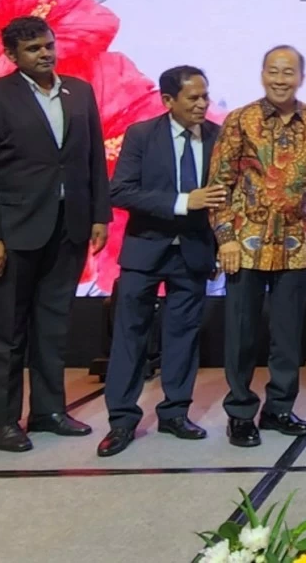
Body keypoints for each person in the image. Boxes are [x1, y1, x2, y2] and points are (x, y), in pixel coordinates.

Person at [0, 16, 110, 452]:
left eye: (48, 45)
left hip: (69, 227)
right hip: (12, 233)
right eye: (33, 49)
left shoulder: (79, 92)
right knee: (7, 330)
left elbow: (93, 160)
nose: (45, 53)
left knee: (53, 326)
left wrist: (99, 215)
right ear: (11, 55)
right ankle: (2, 421)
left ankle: (48, 411)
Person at [209, 46, 306, 448]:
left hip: (295, 244)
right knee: (242, 334)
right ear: (263, 74)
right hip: (244, 244)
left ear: (301, 77)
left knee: (287, 335)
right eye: (273, 72)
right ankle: (241, 413)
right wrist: (225, 238)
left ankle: (279, 408)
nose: (281, 79)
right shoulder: (240, 120)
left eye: (289, 72)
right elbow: (219, 186)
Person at [97, 66, 224, 457]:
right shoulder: (141, 135)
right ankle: (121, 420)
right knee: (130, 335)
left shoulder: (219, 138)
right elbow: (121, 191)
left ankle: (174, 412)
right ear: (168, 101)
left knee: (183, 335)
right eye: (193, 98)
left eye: (205, 96)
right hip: (145, 250)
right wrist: (184, 202)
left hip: (193, 251)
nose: (202, 105)